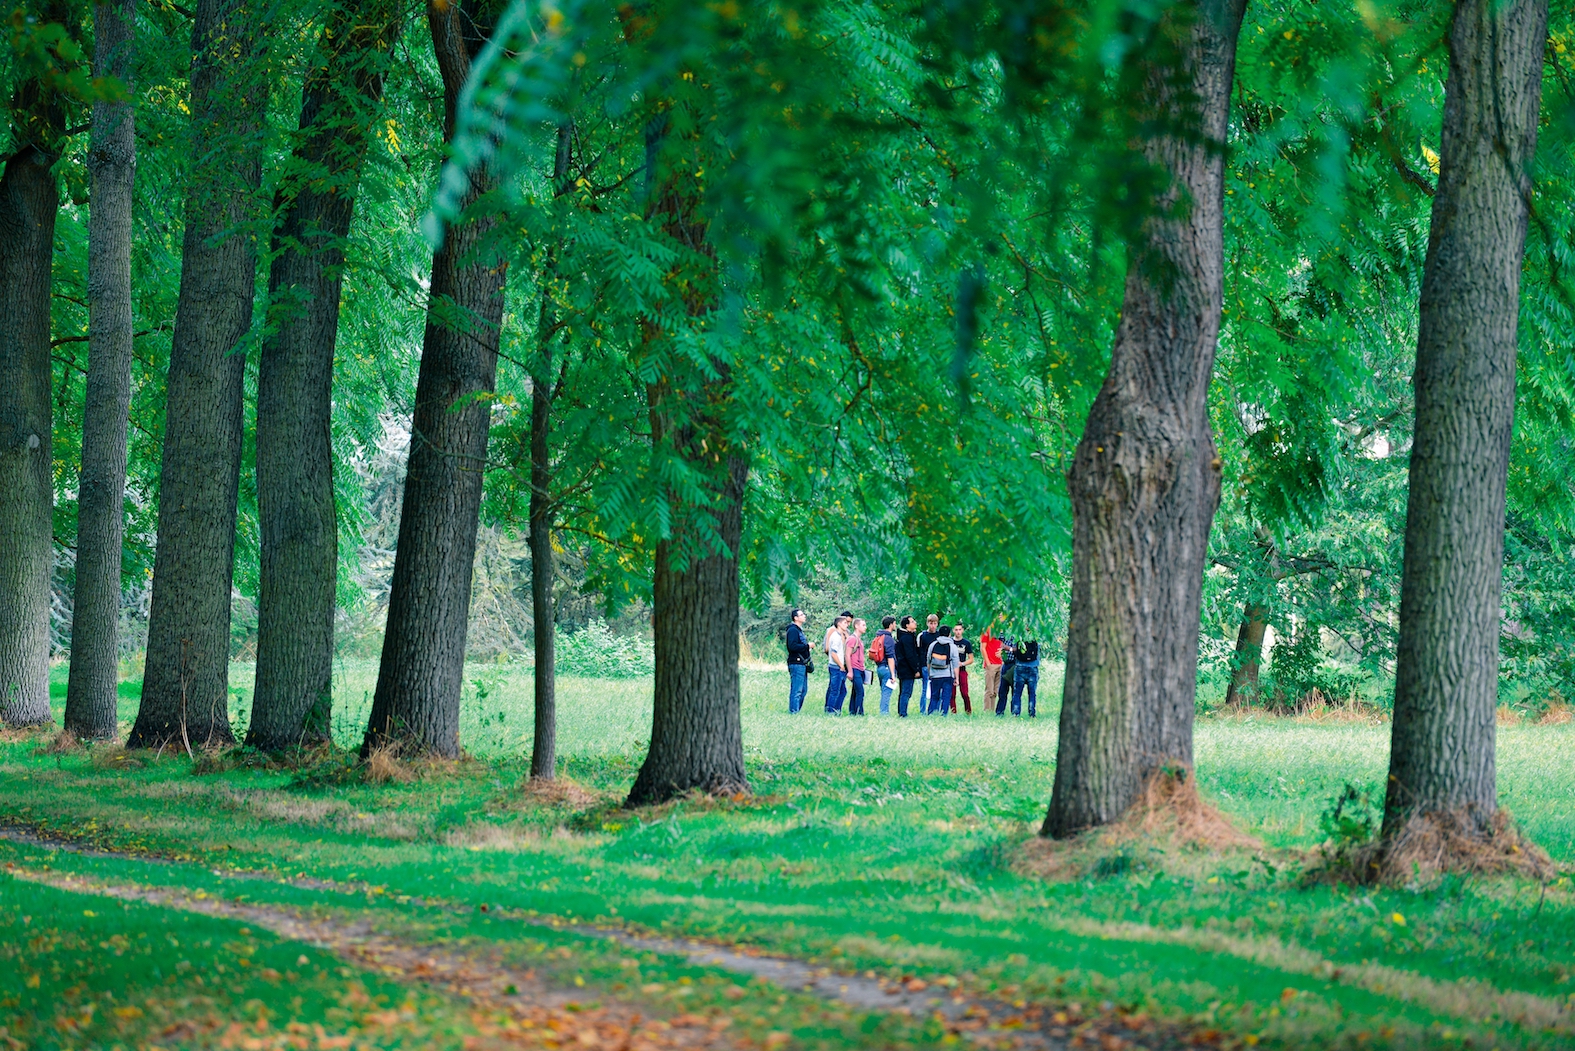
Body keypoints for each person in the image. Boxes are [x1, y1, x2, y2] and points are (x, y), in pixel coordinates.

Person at [924, 626, 959, 715]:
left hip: (935, 675)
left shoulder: (933, 645)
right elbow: (955, 663)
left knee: (934, 696)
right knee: (946, 696)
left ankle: (931, 713)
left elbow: (928, 660)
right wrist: (956, 678)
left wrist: (930, 673)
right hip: (948, 675)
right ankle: (943, 714)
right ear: (949, 634)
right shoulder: (952, 646)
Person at [894, 616, 922, 717]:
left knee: (904, 692)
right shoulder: (907, 638)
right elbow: (910, 655)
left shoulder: (906, 636)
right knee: (906, 692)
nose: (915, 623)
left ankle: (901, 711)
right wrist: (916, 669)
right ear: (907, 625)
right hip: (907, 669)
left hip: (903, 668)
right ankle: (903, 713)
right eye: (912, 622)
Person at [785, 608, 811, 714]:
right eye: (801, 614)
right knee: (797, 689)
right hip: (796, 663)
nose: (804, 616)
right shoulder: (792, 630)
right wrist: (807, 646)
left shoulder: (799, 630)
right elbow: (792, 646)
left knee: (803, 690)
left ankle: (796, 710)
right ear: (795, 618)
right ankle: (794, 712)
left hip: (802, 663)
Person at [871, 616, 898, 714]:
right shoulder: (888, 638)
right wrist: (893, 675)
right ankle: (884, 713)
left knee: (883, 691)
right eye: (894, 623)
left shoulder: (879, 636)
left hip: (880, 667)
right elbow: (890, 657)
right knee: (886, 692)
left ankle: (884, 711)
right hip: (887, 668)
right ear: (891, 625)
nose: (895, 625)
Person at [824, 615, 850, 713]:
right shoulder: (835, 637)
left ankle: (836, 709)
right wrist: (841, 665)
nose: (847, 625)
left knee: (842, 691)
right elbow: (833, 653)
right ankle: (831, 710)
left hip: (838, 667)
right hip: (836, 667)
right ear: (839, 624)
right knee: (835, 691)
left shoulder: (840, 636)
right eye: (844, 623)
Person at [917, 613, 941, 715]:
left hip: (938, 666)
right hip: (925, 665)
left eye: (935, 623)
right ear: (927, 623)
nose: (933, 625)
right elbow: (919, 651)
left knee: (938, 688)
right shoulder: (922, 636)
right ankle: (923, 710)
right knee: (925, 688)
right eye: (931, 623)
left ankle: (936, 710)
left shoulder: (939, 636)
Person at [1011, 638, 1041, 717]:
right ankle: (1032, 713)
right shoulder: (1036, 636)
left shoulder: (1019, 636)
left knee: (1017, 693)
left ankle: (1016, 713)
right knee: (1032, 693)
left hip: (1020, 666)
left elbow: (1014, 651)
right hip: (1033, 667)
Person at [949, 623, 974, 715]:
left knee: (965, 693)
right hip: (951, 670)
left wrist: (962, 663)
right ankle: (953, 712)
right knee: (952, 694)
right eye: (956, 630)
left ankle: (968, 712)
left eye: (959, 629)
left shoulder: (966, 643)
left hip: (962, 670)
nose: (958, 632)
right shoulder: (950, 642)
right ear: (953, 631)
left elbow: (971, 659)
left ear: (962, 630)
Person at [980, 619, 1005, 710]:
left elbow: (1004, 645)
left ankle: (992, 711)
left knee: (995, 691)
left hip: (1000, 663)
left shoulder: (1003, 630)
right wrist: (988, 663)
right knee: (989, 690)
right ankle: (987, 711)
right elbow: (983, 648)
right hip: (991, 664)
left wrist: (1002, 653)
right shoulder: (987, 630)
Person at [846, 618, 868, 715]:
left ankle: (852, 711)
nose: (865, 627)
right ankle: (859, 712)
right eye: (863, 625)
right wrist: (850, 671)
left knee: (855, 691)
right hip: (854, 668)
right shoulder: (852, 639)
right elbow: (847, 655)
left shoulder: (859, 640)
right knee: (860, 691)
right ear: (856, 626)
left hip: (860, 668)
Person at [995, 634, 1016, 716]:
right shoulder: (1005, 632)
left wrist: (1008, 648)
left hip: (1015, 664)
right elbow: (995, 636)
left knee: (1014, 690)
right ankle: (999, 712)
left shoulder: (1018, 634)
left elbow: (1018, 649)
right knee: (1002, 690)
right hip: (1006, 664)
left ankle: (1014, 712)